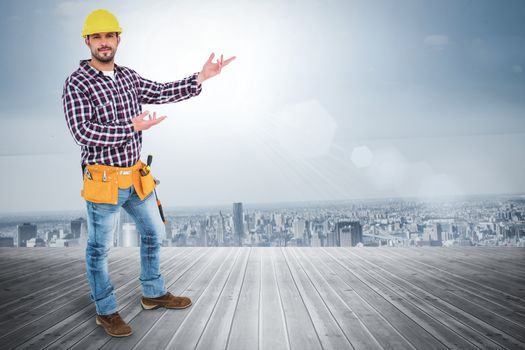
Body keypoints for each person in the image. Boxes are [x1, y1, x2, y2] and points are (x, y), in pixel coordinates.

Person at [62, 9, 235, 337]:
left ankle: (153, 294)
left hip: (136, 177)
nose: (103, 42)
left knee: (154, 233)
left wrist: (200, 78)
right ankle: (106, 310)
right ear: (87, 41)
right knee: (99, 249)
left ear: (118, 39)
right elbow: (84, 133)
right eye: (96, 37)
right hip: (104, 181)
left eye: (108, 36)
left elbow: (161, 91)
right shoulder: (77, 83)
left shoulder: (128, 77)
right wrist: (131, 126)